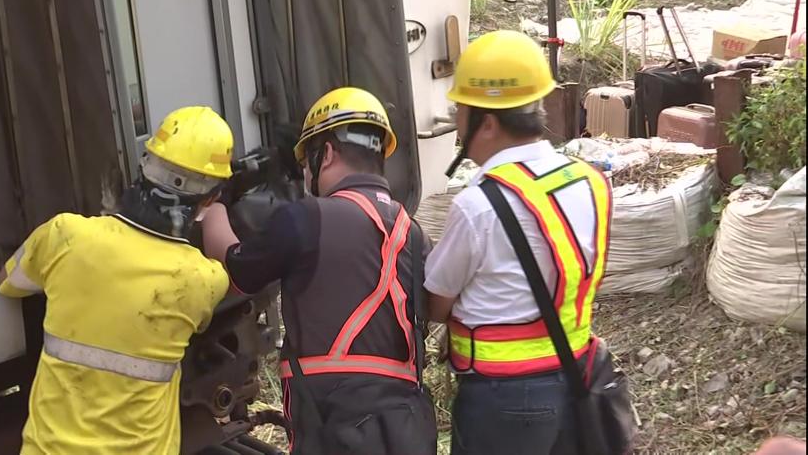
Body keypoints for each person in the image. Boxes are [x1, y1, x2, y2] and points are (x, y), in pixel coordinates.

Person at [201, 87, 437, 455]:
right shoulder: (415, 234)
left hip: (335, 425)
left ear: (325, 154)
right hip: (403, 428)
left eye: (306, 163)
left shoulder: (308, 218)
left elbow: (235, 269)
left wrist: (215, 205)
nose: (306, 173)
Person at [0, 107, 234, 454]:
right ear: (210, 199)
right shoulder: (201, 280)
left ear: (143, 166)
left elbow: (8, 280)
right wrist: (217, 216)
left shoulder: (66, 235)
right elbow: (228, 271)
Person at [424, 31, 614, 455]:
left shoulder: (479, 204)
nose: (457, 123)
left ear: (487, 122)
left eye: (460, 110)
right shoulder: (590, 181)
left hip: (503, 399)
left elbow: (436, 304)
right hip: (577, 377)